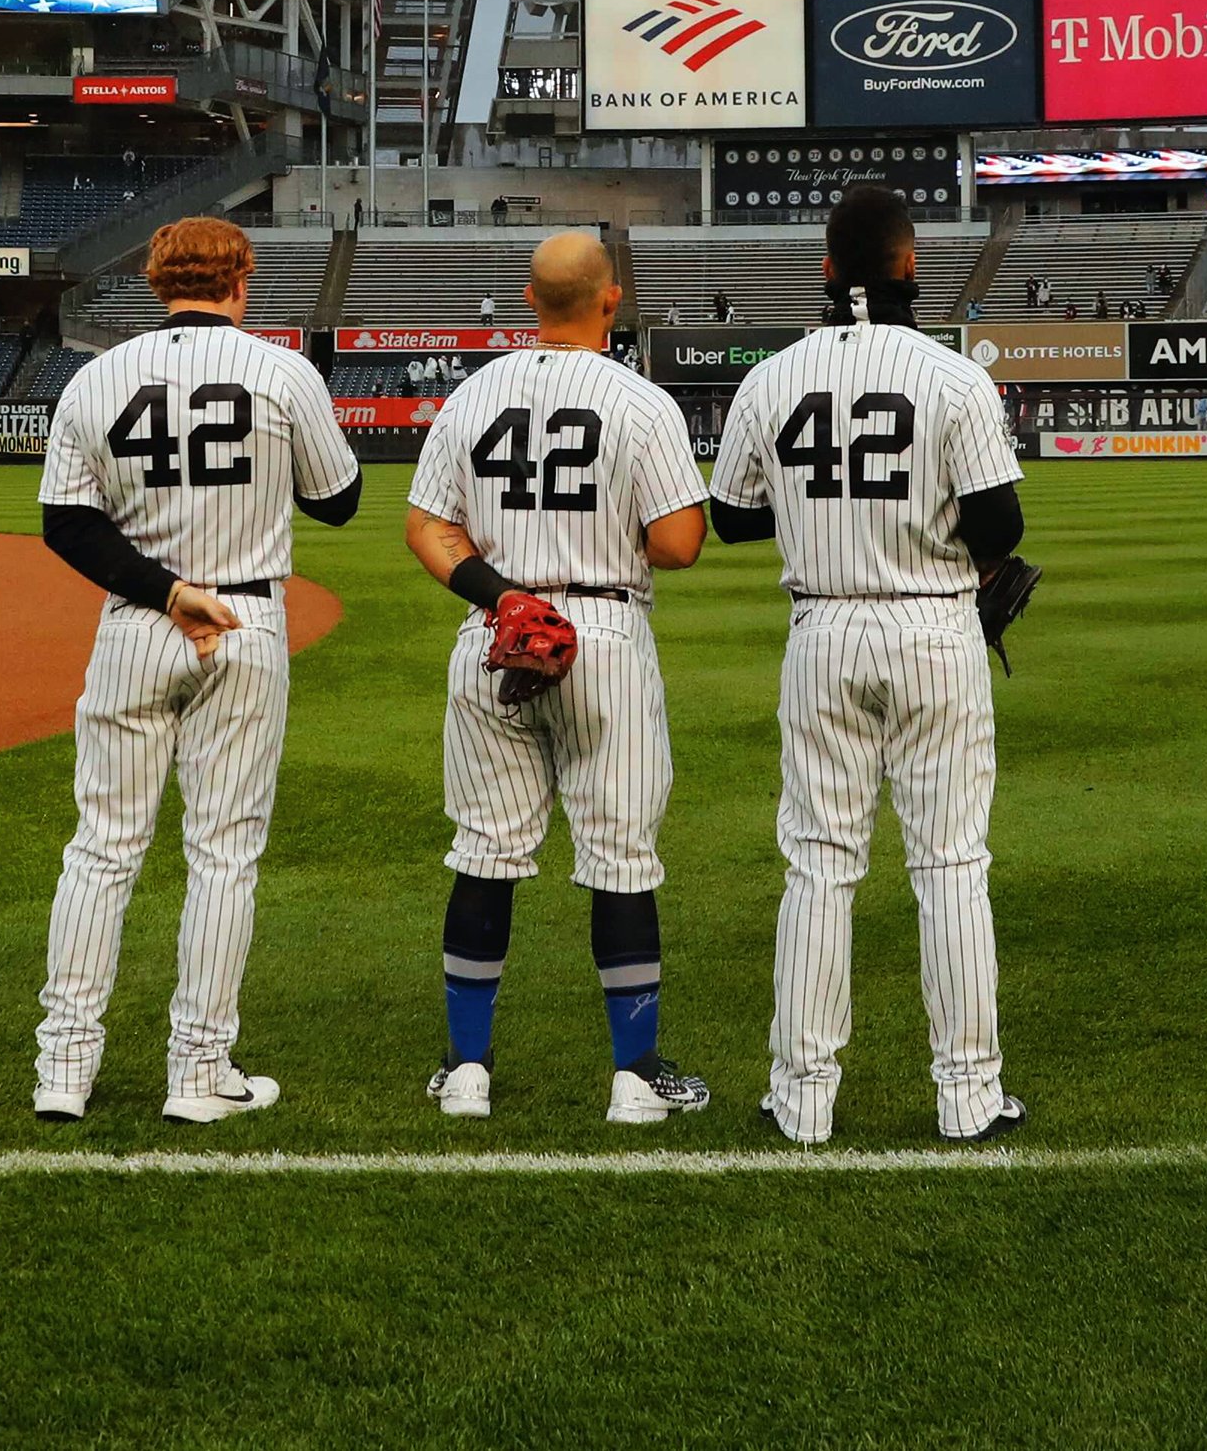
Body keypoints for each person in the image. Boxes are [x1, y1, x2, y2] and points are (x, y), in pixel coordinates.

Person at [707, 182, 1030, 1145]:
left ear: (824, 269)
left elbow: (730, 516)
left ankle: (803, 1099)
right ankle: (968, 1099)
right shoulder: (953, 375)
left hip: (823, 632)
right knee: (950, 867)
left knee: (818, 866)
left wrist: (817, 514)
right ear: (910, 265)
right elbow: (1001, 524)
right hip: (936, 632)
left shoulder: (772, 376)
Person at [29, 216, 361, 1124]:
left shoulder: (96, 377)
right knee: (223, 854)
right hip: (247, 619)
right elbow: (340, 501)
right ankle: (199, 1073)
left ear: (153, 282)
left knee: (102, 849)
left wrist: (167, 587)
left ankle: (63, 1069)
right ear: (240, 280)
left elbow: (67, 523)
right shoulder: (282, 372)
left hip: (138, 620)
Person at [404, 230, 713, 1125]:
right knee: (620, 860)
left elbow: (428, 528)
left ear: (530, 300)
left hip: (495, 636)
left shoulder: (473, 393)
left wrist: (504, 598)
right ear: (611, 300)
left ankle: (466, 1073)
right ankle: (634, 1076)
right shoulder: (639, 401)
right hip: (604, 633)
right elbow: (679, 544)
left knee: (485, 855)